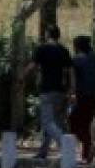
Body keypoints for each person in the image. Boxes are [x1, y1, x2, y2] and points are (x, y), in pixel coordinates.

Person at [22, 25, 74, 160]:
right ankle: (43, 151)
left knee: (47, 122)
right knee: (55, 121)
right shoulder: (64, 50)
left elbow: (32, 66)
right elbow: (70, 71)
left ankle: (65, 145)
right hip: (61, 91)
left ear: (47, 34)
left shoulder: (42, 49)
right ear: (58, 35)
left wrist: (22, 77)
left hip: (47, 90)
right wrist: (72, 89)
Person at [70, 35, 95, 164]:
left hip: (82, 95)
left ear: (77, 46)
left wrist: (73, 94)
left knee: (73, 122)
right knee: (85, 124)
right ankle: (86, 156)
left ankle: (90, 147)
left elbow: (73, 79)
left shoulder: (76, 60)